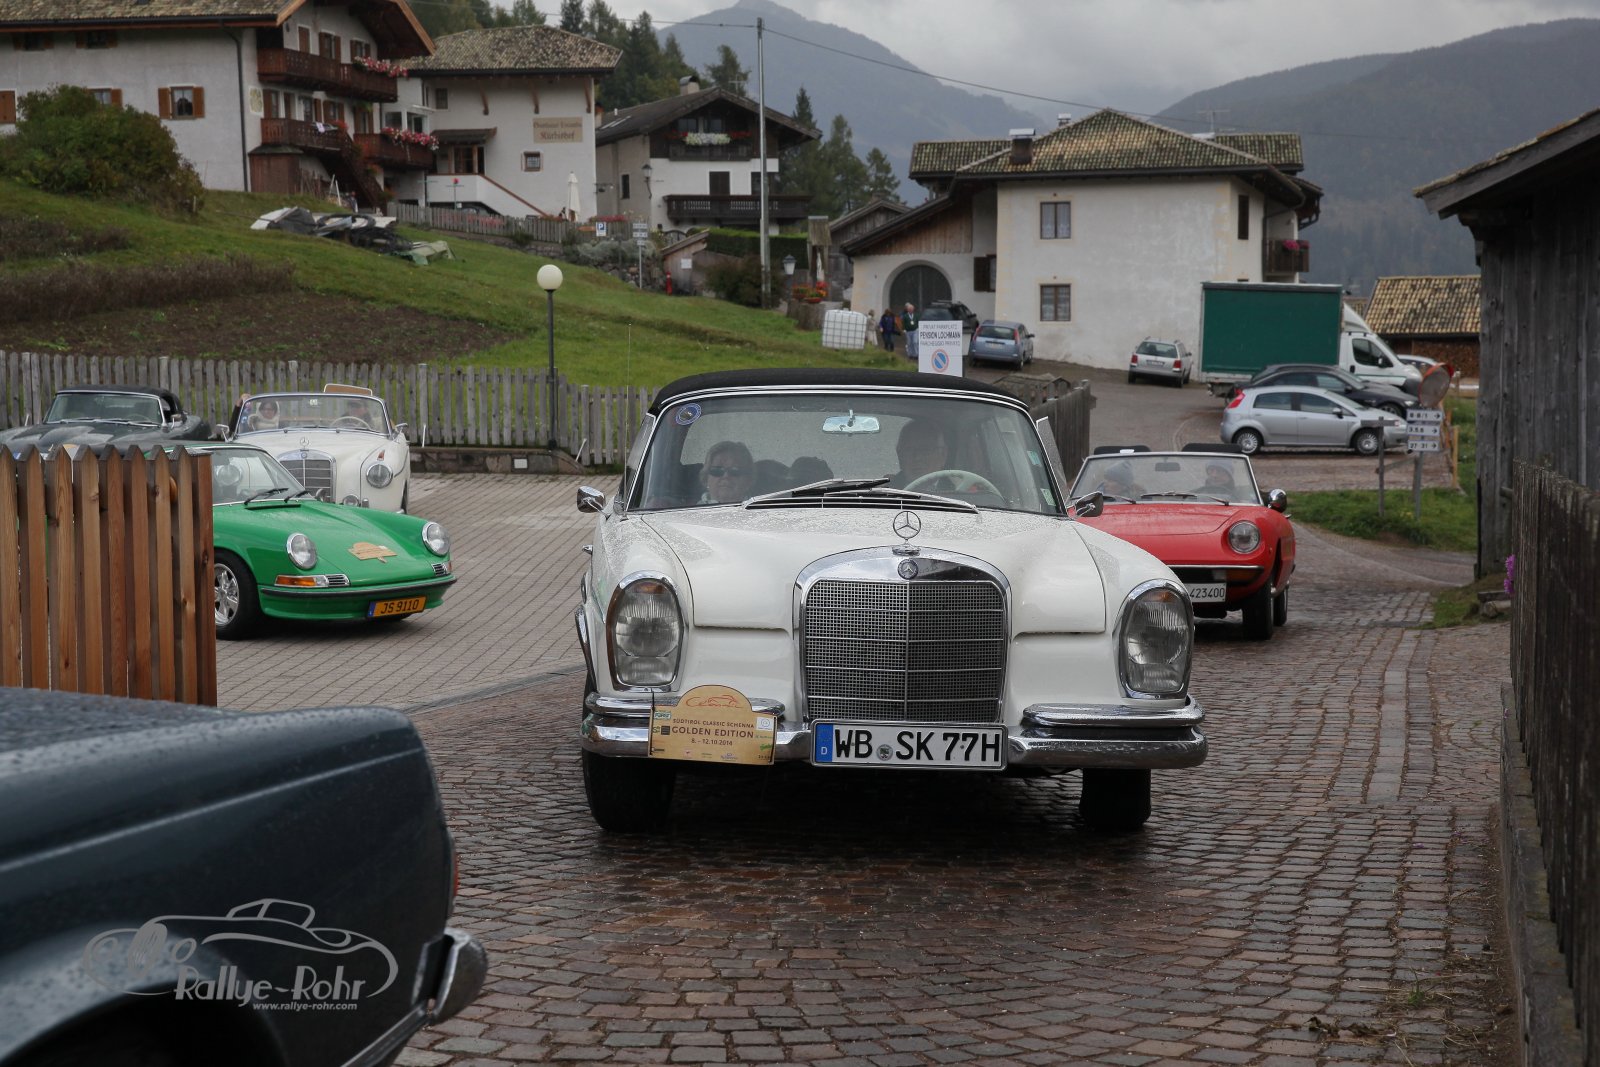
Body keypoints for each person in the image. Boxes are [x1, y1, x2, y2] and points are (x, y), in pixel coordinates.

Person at [890, 420, 948, 487]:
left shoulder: (957, 491)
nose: (917, 457)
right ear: (900, 456)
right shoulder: (885, 490)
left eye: (925, 450)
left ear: (943, 455)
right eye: (909, 450)